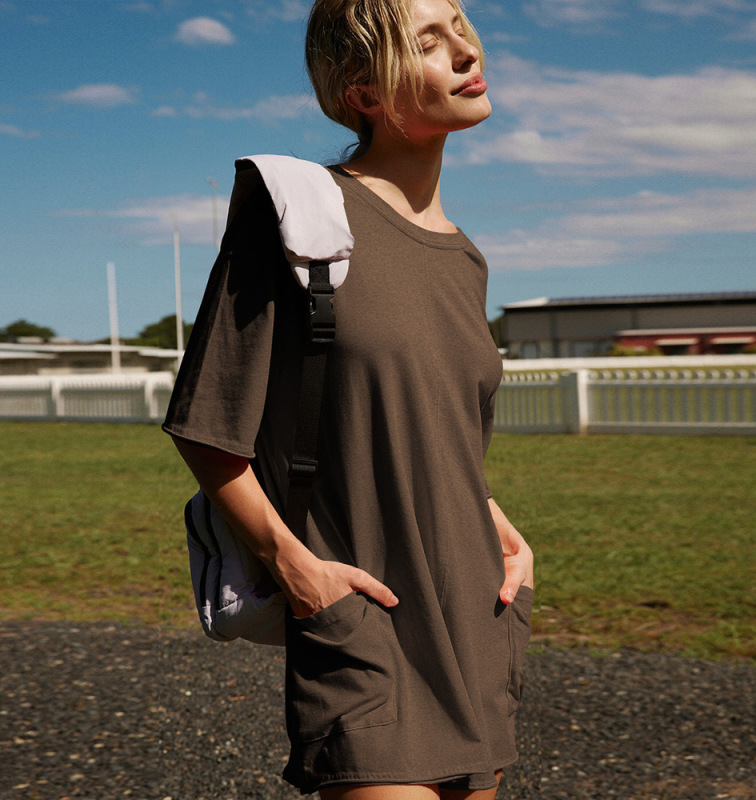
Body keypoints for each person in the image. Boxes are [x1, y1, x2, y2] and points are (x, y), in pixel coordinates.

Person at [163, 0, 535, 796]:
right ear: (364, 89)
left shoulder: (465, 258)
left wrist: (497, 524)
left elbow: (431, 428)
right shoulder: (297, 217)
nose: (466, 50)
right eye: (429, 41)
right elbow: (207, 424)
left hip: (477, 609)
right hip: (365, 622)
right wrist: (293, 565)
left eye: (461, 26)